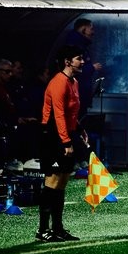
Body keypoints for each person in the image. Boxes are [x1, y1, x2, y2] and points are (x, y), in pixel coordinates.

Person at [37, 45, 87, 242]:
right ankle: (42, 230)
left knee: (62, 182)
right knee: (52, 181)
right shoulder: (59, 82)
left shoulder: (73, 81)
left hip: (67, 133)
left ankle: (58, 228)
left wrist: (80, 129)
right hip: (53, 135)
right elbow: (58, 115)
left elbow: (70, 113)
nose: (82, 62)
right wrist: (66, 141)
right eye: (78, 58)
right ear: (67, 62)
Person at [64, 18, 103, 119]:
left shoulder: (81, 44)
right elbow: (72, 69)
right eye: (91, 29)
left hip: (80, 93)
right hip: (77, 93)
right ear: (83, 29)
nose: (93, 32)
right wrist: (91, 67)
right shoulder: (75, 45)